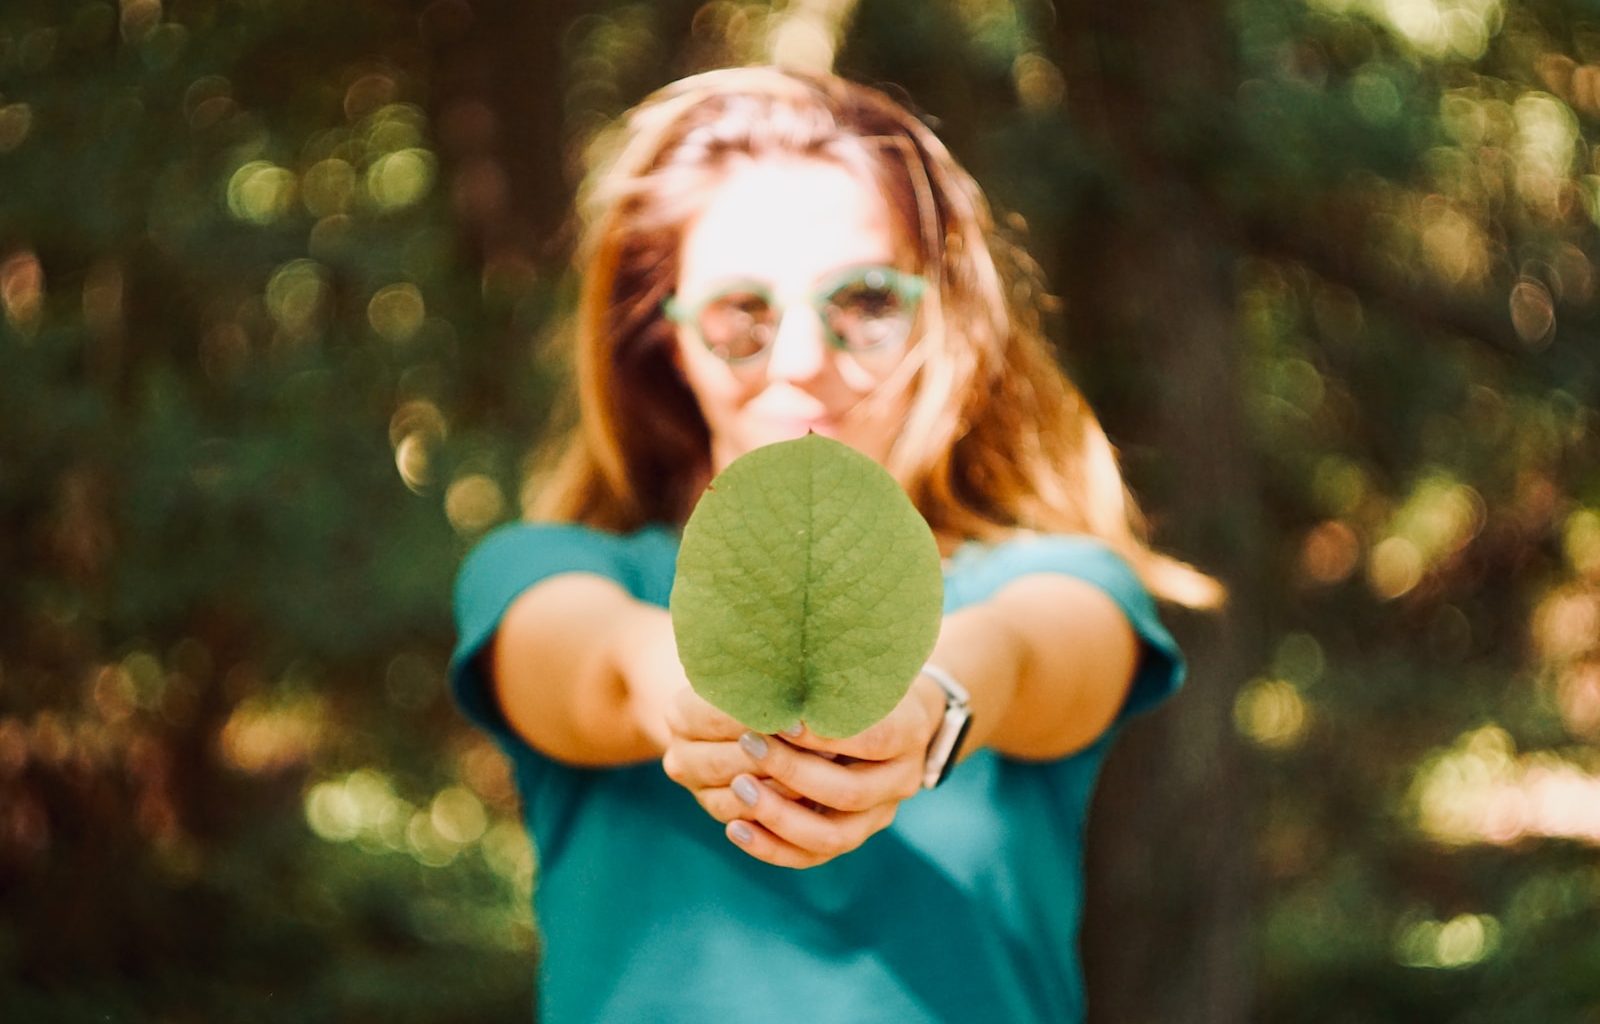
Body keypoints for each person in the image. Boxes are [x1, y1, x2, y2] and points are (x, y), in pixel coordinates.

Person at [449, 65, 1220, 1023]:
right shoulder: (546, 570)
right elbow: (593, 664)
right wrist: (687, 694)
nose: (804, 361)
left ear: (943, 319)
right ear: (666, 338)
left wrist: (926, 707)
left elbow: (1028, 655)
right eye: (743, 312)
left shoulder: (1054, 578)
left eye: (864, 301)